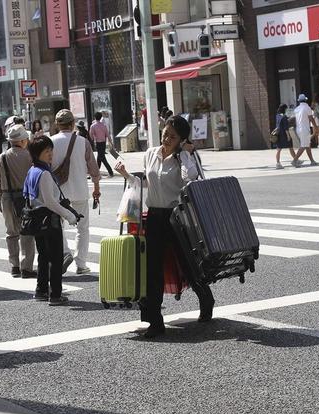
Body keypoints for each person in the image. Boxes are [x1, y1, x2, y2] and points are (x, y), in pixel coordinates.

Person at [114, 116, 214, 339]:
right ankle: (154, 321)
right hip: (155, 217)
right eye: (165, 133)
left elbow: (192, 178)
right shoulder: (151, 153)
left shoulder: (184, 158)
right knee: (152, 269)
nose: (166, 138)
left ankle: (205, 297)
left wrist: (186, 153)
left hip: (178, 217)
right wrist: (126, 175)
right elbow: (146, 185)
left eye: (172, 136)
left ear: (182, 140)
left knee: (188, 263)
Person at [23, 136, 80, 306]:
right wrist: (69, 216)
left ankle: (41, 290)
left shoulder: (32, 170)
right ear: (36, 153)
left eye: (51, 150)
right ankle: (55, 294)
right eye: (46, 151)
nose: (50, 154)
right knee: (55, 258)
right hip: (49, 219)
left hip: (37, 219)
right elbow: (50, 202)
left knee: (43, 256)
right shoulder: (45, 173)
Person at [50, 109, 101, 275]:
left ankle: (65, 253)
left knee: (58, 226)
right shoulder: (83, 142)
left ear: (57, 125)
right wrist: (96, 189)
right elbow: (93, 168)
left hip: (58, 193)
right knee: (82, 228)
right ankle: (81, 263)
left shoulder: (50, 142)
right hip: (80, 190)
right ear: (73, 124)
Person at [0, 124, 36, 278]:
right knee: (27, 233)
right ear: (23, 140)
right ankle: (27, 267)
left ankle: (14, 266)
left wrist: (0, 200)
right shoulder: (29, 156)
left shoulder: (1, 157)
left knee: (11, 233)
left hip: (7, 198)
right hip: (26, 198)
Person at [292, 94, 319, 167]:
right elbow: (311, 118)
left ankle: (312, 161)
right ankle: (294, 160)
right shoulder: (307, 108)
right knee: (304, 145)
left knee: (307, 145)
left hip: (298, 129)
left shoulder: (296, 109)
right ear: (305, 100)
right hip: (304, 129)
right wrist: (316, 127)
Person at [89, 112, 114, 177]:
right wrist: (111, 143)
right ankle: (97, 173)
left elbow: (91, 135)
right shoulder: (104, 125)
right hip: (103, 143)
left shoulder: (93, 126)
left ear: (95, 117)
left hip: (98, 143)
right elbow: (108, 135)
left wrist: (93, 140)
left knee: (102, 158)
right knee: (99, 158)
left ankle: (110, 172)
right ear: (100, 118)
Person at [274, 104, 299, 169]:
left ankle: (278, 163)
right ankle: (296, 160)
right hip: (285, 135)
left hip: (279, 135)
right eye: (286, 109)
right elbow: (286, 128)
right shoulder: (284, 117)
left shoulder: (277, 116)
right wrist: (288, 136)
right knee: (290, 147)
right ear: (284, 109)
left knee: (279, 149)